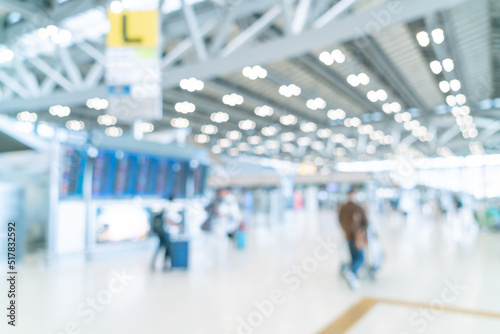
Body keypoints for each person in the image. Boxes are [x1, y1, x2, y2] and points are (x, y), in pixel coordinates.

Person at [338, 190, 369, 289]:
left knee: (355, 258)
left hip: (352, 236)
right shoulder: (356, 208)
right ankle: (352, 273)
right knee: (360, 258)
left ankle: (353, 275)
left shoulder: (346, 208)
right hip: (356, 237)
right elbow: (365, 222)